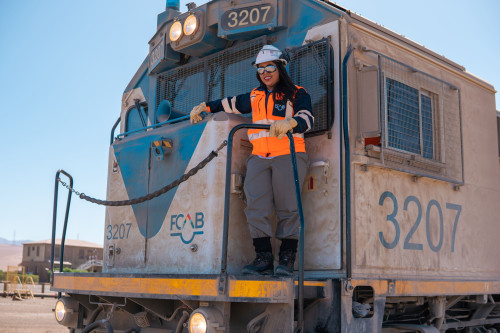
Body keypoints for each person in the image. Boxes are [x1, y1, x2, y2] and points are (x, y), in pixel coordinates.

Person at [189, 45, 314, 276]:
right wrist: (205, 107)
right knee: (256, 206)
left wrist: (292, 123)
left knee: (289, 207)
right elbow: (228, 103)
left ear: (280, 68)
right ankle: (263, 258)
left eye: (270, 67)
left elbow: (307, 117)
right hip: (258, 157)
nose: (265, 72)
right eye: (260, 68)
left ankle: (287, 259)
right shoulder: (254, 96)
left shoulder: (297, 93)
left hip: (289, 154)